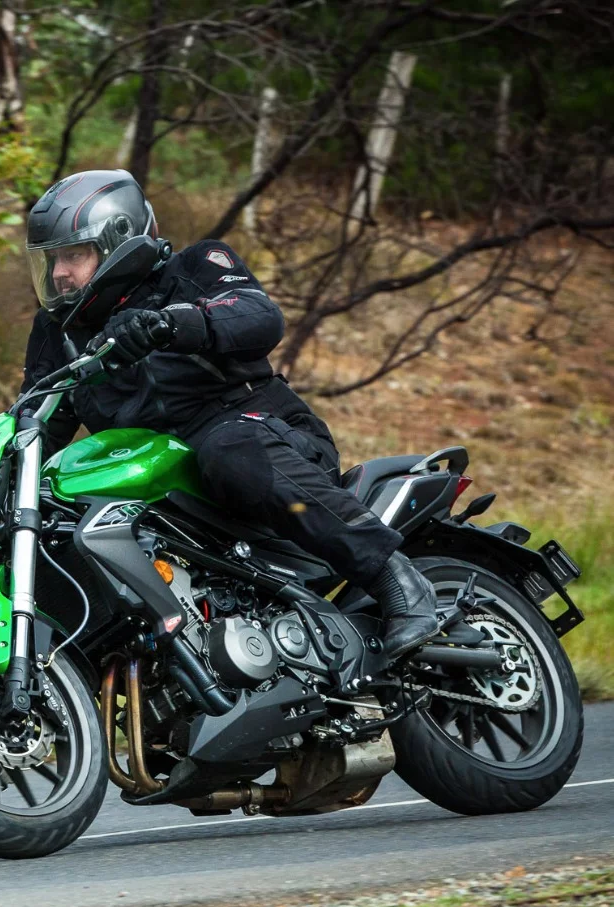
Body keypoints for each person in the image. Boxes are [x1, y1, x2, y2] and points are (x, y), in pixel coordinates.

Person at [21, 169, 438, 657]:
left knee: (227, 449)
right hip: (170, 490)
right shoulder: (57, 332)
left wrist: (170, 324)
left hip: (268, 442)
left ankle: (396, 579)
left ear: (117, 241)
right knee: (57, 507)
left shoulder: (195, 267)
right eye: (52, 260)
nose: (58, 274)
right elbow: (37, 416)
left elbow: (260, 317)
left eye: (73, 255)